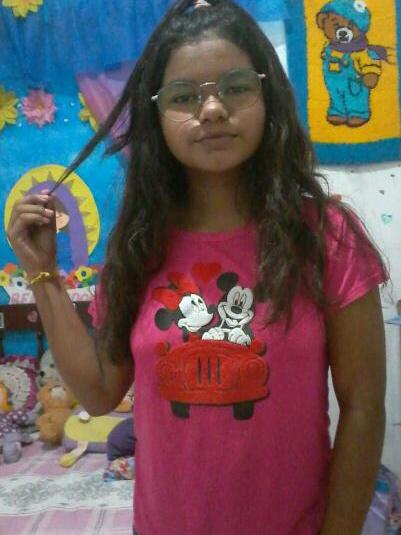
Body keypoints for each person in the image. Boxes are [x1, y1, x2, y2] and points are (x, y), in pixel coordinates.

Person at [7, 1, 389, 533]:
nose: (211, 109)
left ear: (268, 96)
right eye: (184, 96)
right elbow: (98, 392)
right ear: (156, 115)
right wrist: (43, 273)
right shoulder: (138, 247)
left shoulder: (327, 237)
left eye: (236, 87)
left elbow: (364, 407)